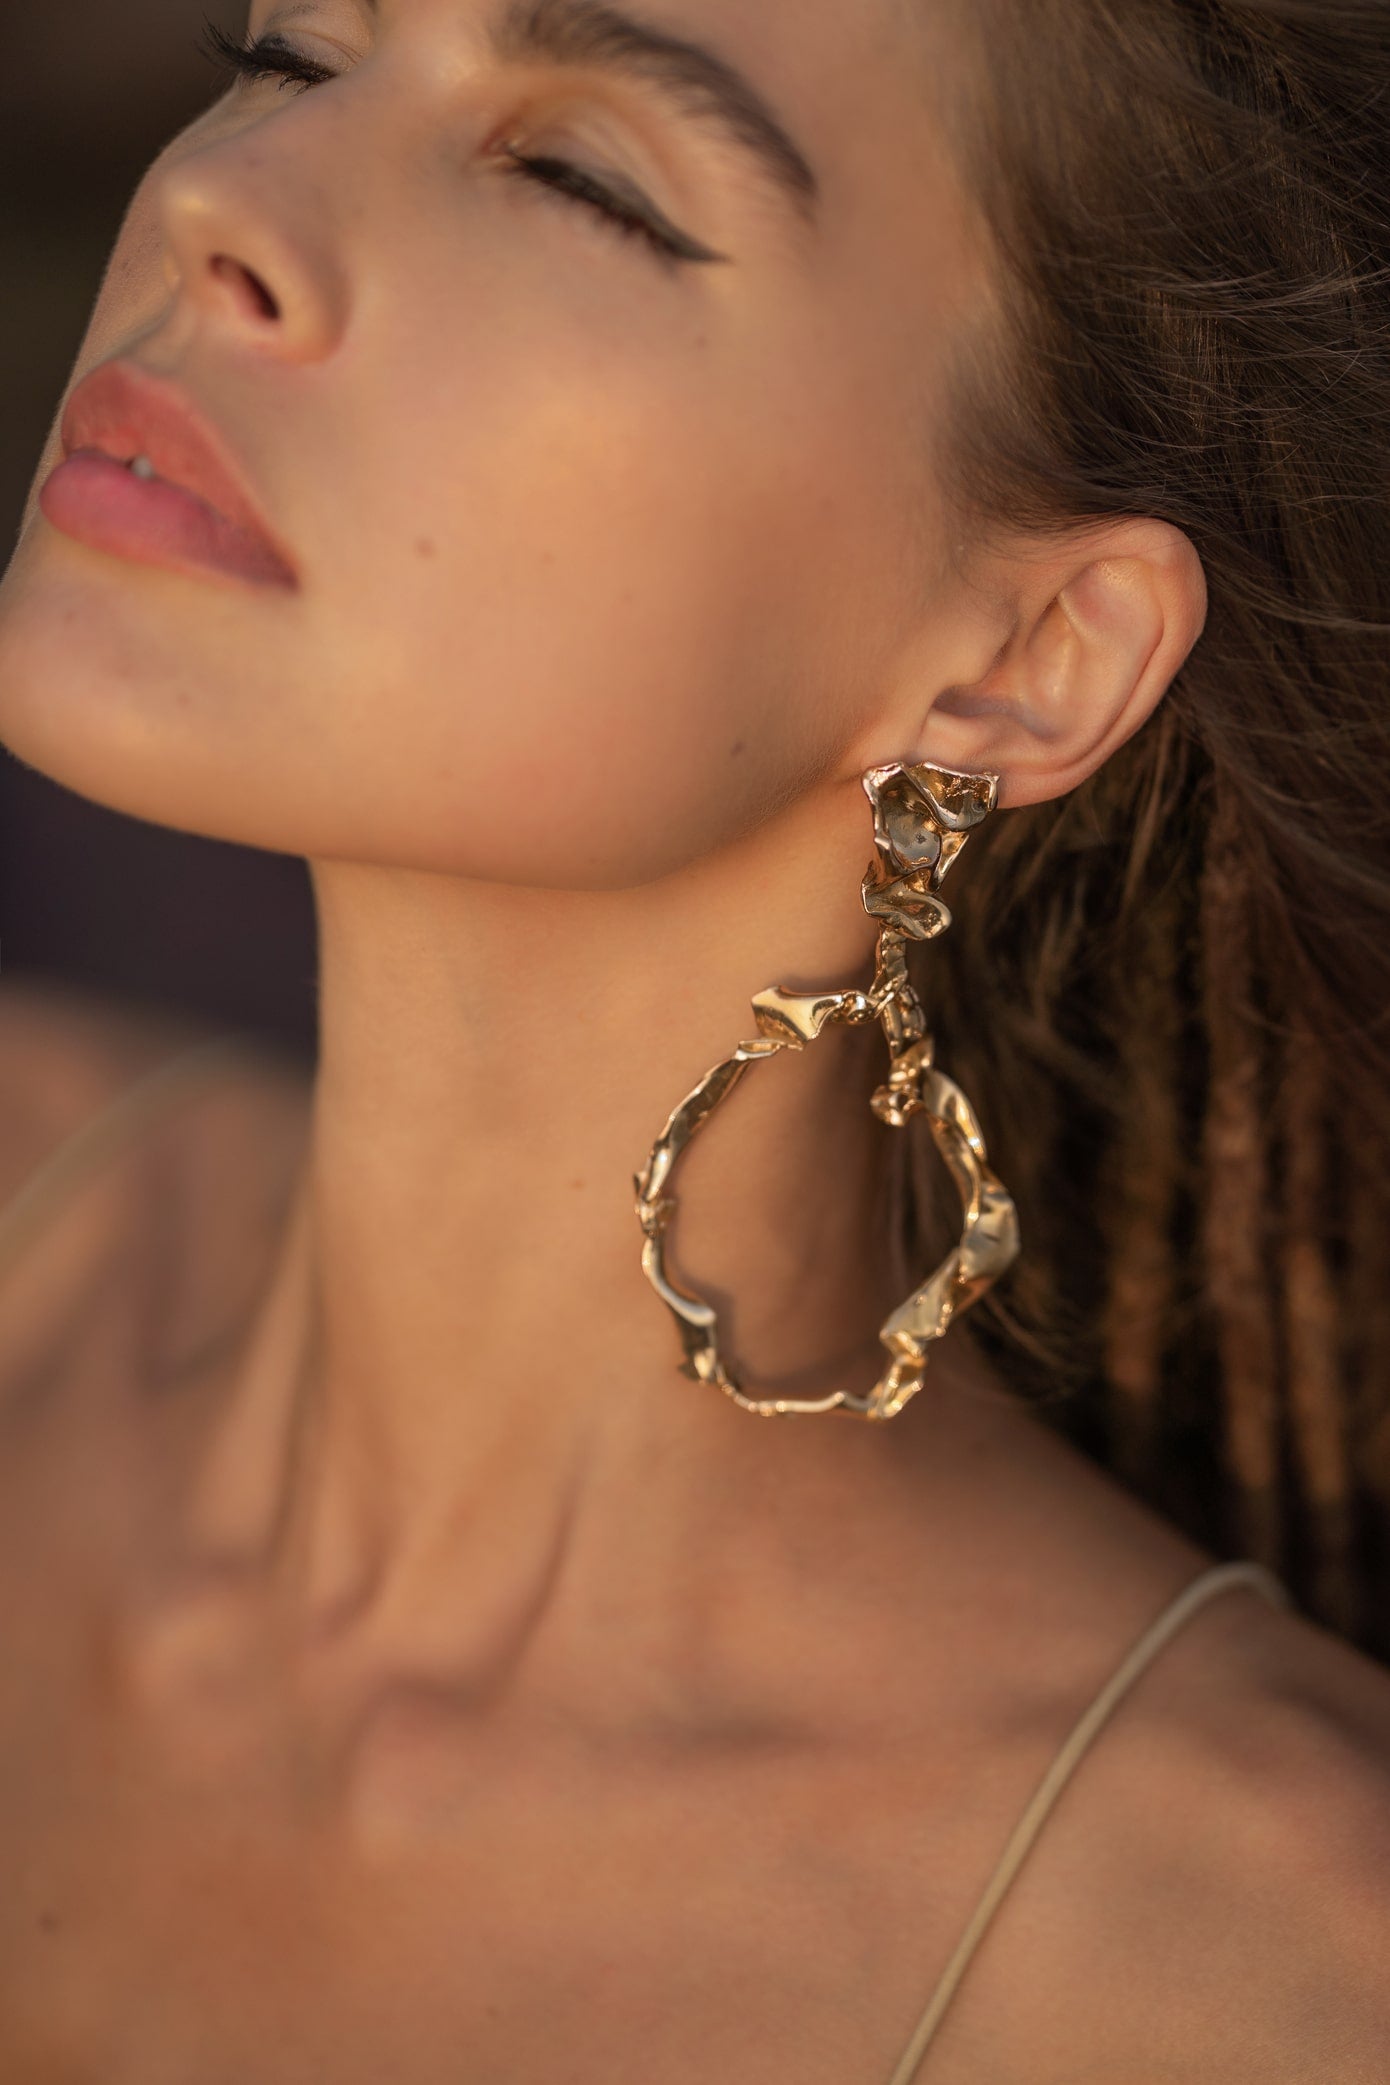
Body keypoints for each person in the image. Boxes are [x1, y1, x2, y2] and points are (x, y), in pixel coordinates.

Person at [0, 0, 1387, 2076]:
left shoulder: (1256, 1978)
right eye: (291, 48)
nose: (223, 197)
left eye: (579, 181)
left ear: (1027, 655)